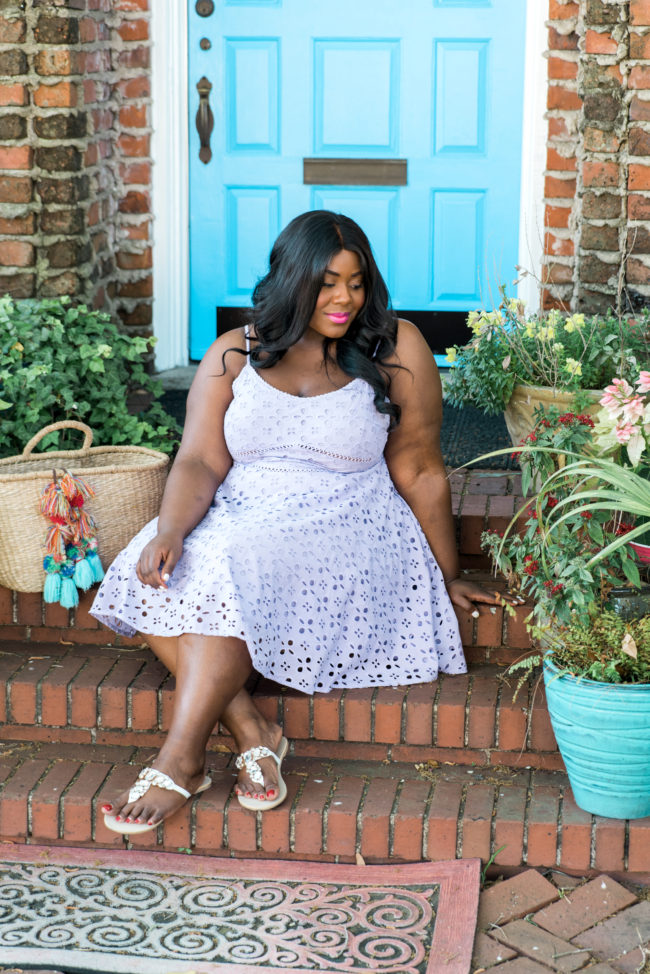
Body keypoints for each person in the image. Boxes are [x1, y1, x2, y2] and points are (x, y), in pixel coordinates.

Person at [91, 210, 504, 835]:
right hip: (245, 510)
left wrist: (449, 573)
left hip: (349, 518)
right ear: (291, 280)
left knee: (230, 561)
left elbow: (420, 468)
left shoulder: (396, 346)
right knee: (154, 559)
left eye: (357, 282)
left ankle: (180, 759)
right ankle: (253, 731)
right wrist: (172, 529)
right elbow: (200, 459)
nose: (345, 298)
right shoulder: (236, 351)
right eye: (328, 282)